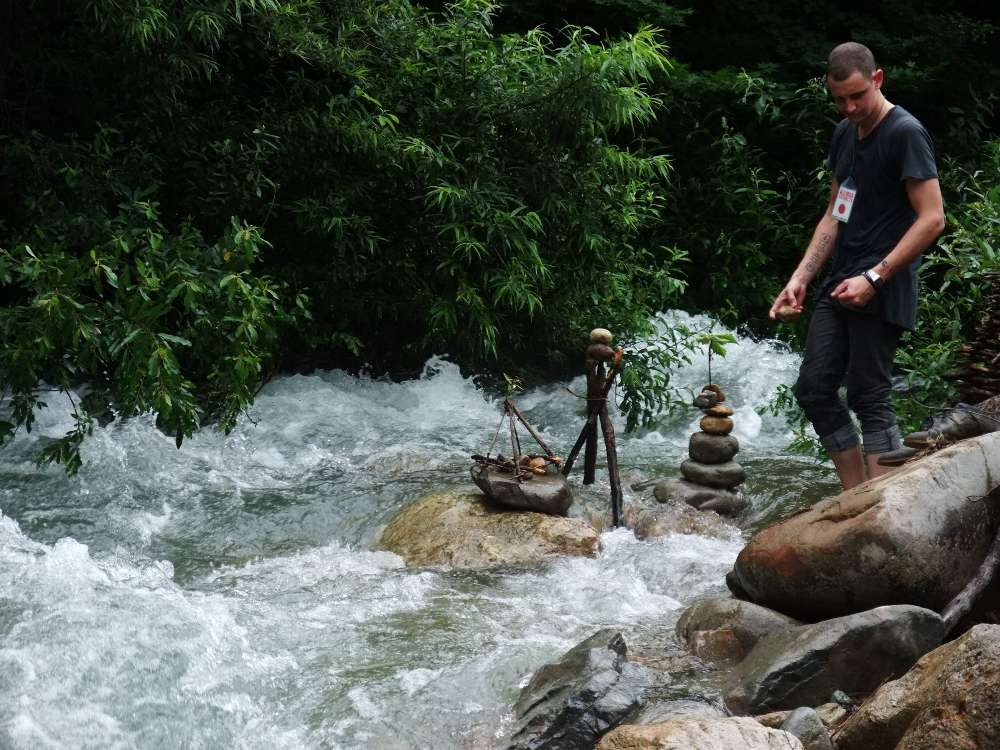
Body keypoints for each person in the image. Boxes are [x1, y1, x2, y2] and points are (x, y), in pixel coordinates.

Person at [769, 42, 945, 490]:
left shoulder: (904, 132)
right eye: (839, 99)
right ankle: (854, 498)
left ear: (877, 80)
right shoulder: (844, 133)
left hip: (883, 283)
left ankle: (882, 508)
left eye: (857, 96)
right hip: (841, 279)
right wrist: (801, 277)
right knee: (814, 389)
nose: (849, 107)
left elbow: (933, 218)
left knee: (869, 396)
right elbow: (834, 213)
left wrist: (875, 276)